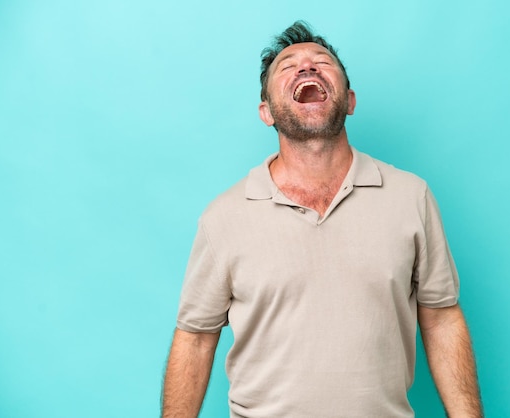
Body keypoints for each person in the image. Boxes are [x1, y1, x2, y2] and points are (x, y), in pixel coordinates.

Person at [162, 21, 483, 418]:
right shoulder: (224, 217)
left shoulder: (410, 196)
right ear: (266, 112)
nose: (307, 68)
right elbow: (195, 338)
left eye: (322, 62)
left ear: (349, 100)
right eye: (288, 66)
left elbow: (441, 318)